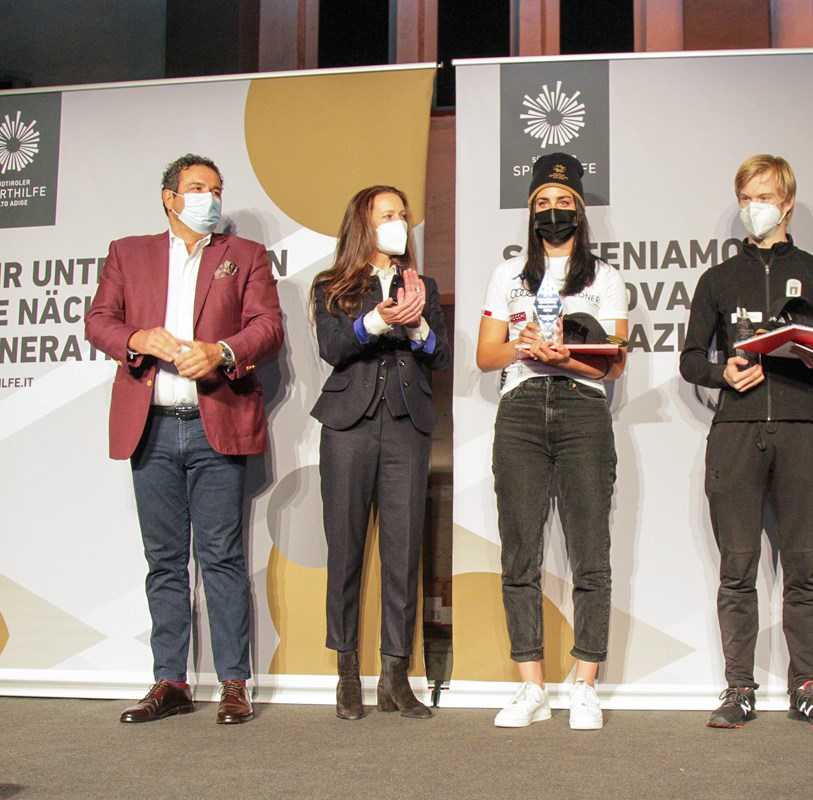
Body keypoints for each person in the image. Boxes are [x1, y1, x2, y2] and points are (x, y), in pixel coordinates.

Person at [84, 153, 283, 724]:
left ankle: (233, 684)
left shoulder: (243, 256)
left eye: (217, 188)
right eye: (197, 187)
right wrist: (137, 337)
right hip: (149, 427)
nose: (209, 197)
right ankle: (170, 681)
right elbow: (99, 320)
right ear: (170, 197)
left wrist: (221, 353)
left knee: (220, 556)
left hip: (214, 423)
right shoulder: (129, 252)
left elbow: (267, 327)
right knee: (164, 561)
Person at [679, 154, 813, 730]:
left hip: (802, 430)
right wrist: (721, 373)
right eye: (748, 197)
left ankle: (807, 688)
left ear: (788, 201)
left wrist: (808, 349)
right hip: (736, 432)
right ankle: (739, 690)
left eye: (767, 196)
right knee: (738, 568)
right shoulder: (718, 279)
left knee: (802, 569)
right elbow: (689, 358)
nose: (757, 207)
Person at [476, 153, 627, 730]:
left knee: (591, 551)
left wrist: (569, 356)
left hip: (583, 411)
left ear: (580, 212)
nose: (553, 212)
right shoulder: (508, 274)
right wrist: (523, 344)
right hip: (519, 411)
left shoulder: (605, 278)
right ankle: (532, 686)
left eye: (563, 203)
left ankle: (585, 683)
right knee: (520, 552)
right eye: (542, 203)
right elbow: (486, 355)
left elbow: (614, 364)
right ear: (530, 212)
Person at [310, 185, 450, 720]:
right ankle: (348, 675)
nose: (400, 222)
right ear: (364, 225)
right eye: (387, 214)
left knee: (403, 551)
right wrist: (378, 320)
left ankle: (396, 676)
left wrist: (416, 324)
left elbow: (438, 358)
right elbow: (333, 347)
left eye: (402, 214)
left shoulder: (425, 286)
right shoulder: (334, 285)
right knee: (344, 551)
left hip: (407, 426)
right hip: (348, 425)